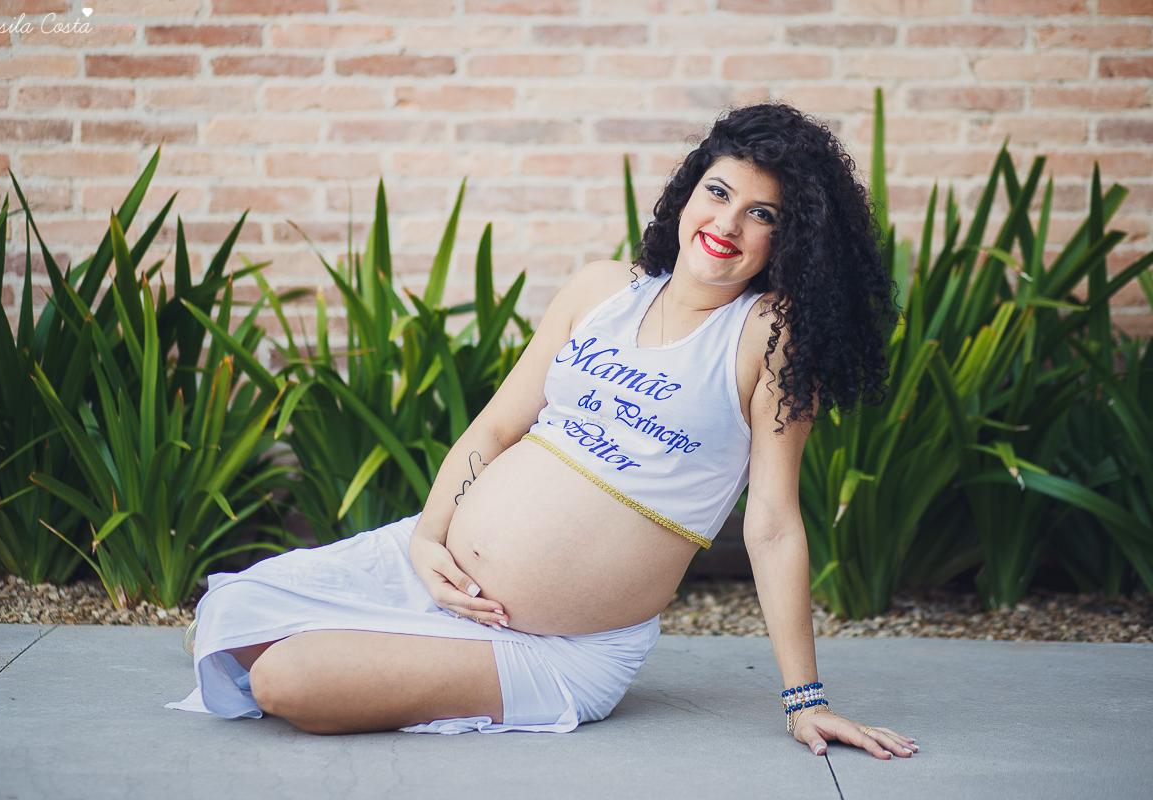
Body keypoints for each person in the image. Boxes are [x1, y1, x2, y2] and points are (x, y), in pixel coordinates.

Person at [169, 103, 917, 759]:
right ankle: (406, 623)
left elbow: (774, 523)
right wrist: (428, 541)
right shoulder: (602, 288)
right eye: (718, 193)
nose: (727, 224)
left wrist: (804, 700)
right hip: (437, 571)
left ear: (792, 241)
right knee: (229, 623)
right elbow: (494, 429)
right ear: (689, 192)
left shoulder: (768, 334)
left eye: (763, 214)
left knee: (285, 680)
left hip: (561, 647)